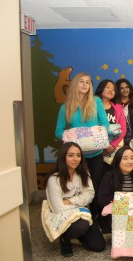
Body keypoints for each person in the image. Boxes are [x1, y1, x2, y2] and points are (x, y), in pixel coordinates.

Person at [55, 72, 110, 218]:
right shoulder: (66, 107)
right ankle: (78, 217)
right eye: (81, 81)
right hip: (76, 158)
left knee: (95, 186)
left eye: (88, 82)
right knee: (78, 188)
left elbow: (105, 124)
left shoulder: (96, 102)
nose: (85, 84)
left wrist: (93, 133)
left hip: (96, 154)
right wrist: (73, 136)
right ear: (74, 84)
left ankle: (95, 217)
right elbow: (58, 131)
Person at [44, 142, 105, 257]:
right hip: (61, 217)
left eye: (78, 155)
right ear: (63, 157)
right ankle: (65, 239)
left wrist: (71, 201)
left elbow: (90, 194)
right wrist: (81, 203)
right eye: (71, 155)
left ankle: (78, 233)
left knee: (99, 246)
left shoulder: (83, 174)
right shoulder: (54, 179)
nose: (75, 159)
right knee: (81, 225)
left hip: (81, 214)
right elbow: (58, 208)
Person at [98, 146, 133, 233]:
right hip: (115, 211)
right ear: (118, 161)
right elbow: (102, 199)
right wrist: (122, 200)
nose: (129, 161)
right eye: (125, 158)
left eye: (132, 158)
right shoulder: (109, 176)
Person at [94, 79, 127, 169]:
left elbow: (123, 129)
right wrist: (101, 147)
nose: (111, 90)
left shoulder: (118, 109)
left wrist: (113, 145)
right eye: (107, 87)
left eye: (113, 89)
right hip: (95, 149)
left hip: (112, 150)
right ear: (101, 89)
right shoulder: (92, 107)